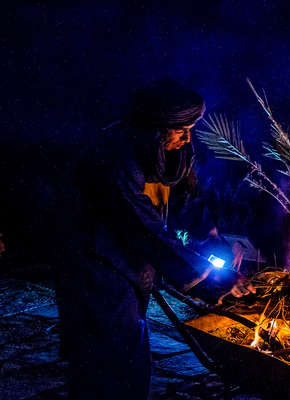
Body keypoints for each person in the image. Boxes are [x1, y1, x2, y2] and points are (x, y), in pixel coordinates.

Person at [55, 78, 253, 399]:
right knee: (106, 360)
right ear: (155, 130)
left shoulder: (167, 153)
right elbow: (142, 227)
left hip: (129, 266)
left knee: (131, 353)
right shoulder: (115, 159)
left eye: (190, 127)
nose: (187, 136)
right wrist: (204, 277)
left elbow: (186, 201)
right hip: (97, 270)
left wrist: (214, 239)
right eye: (180, 129)